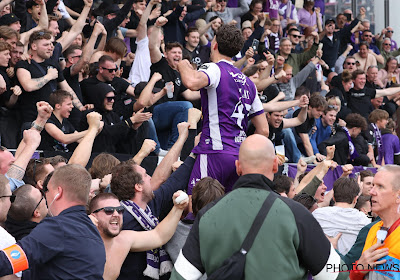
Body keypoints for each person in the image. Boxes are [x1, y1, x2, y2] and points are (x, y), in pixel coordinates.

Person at [170, 134, 348, 279]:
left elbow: (181, 276)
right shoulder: (297, 215)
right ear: (274, 166)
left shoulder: (207, 215)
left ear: (238, 167)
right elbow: (337, 275)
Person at [177, 24, 268, 194]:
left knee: (197, 207)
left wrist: (182, 63)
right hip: (239, 158)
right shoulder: (248, 82)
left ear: (215, 44)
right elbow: (263, 130)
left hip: (214, 152)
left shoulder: (214, 68)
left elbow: (191, 83)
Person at [0, 164, 106, 279]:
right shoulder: (95, 234)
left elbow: (7, 262)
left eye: (47, 190)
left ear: (58, 192)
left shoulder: (58, 228)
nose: (46, 195)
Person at [88, 191, 189, 280]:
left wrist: (178, 208)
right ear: (93, 216)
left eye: (119, 210)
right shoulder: (80, 241)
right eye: (108, 210)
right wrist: (83, 225)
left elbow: (159, 236)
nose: (116, 214)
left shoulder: (123, 240)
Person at [350, 165, 400, 279]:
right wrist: (359, 270)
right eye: (372, 186)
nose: (372, 192)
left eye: (380, 186)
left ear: (398, 195)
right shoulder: (373, 229)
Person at [312, 177, 370, 255]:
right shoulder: (364, 220)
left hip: (320, 263)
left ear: (333, 197)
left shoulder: (317, 214)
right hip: (350, 265)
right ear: (355, 199)